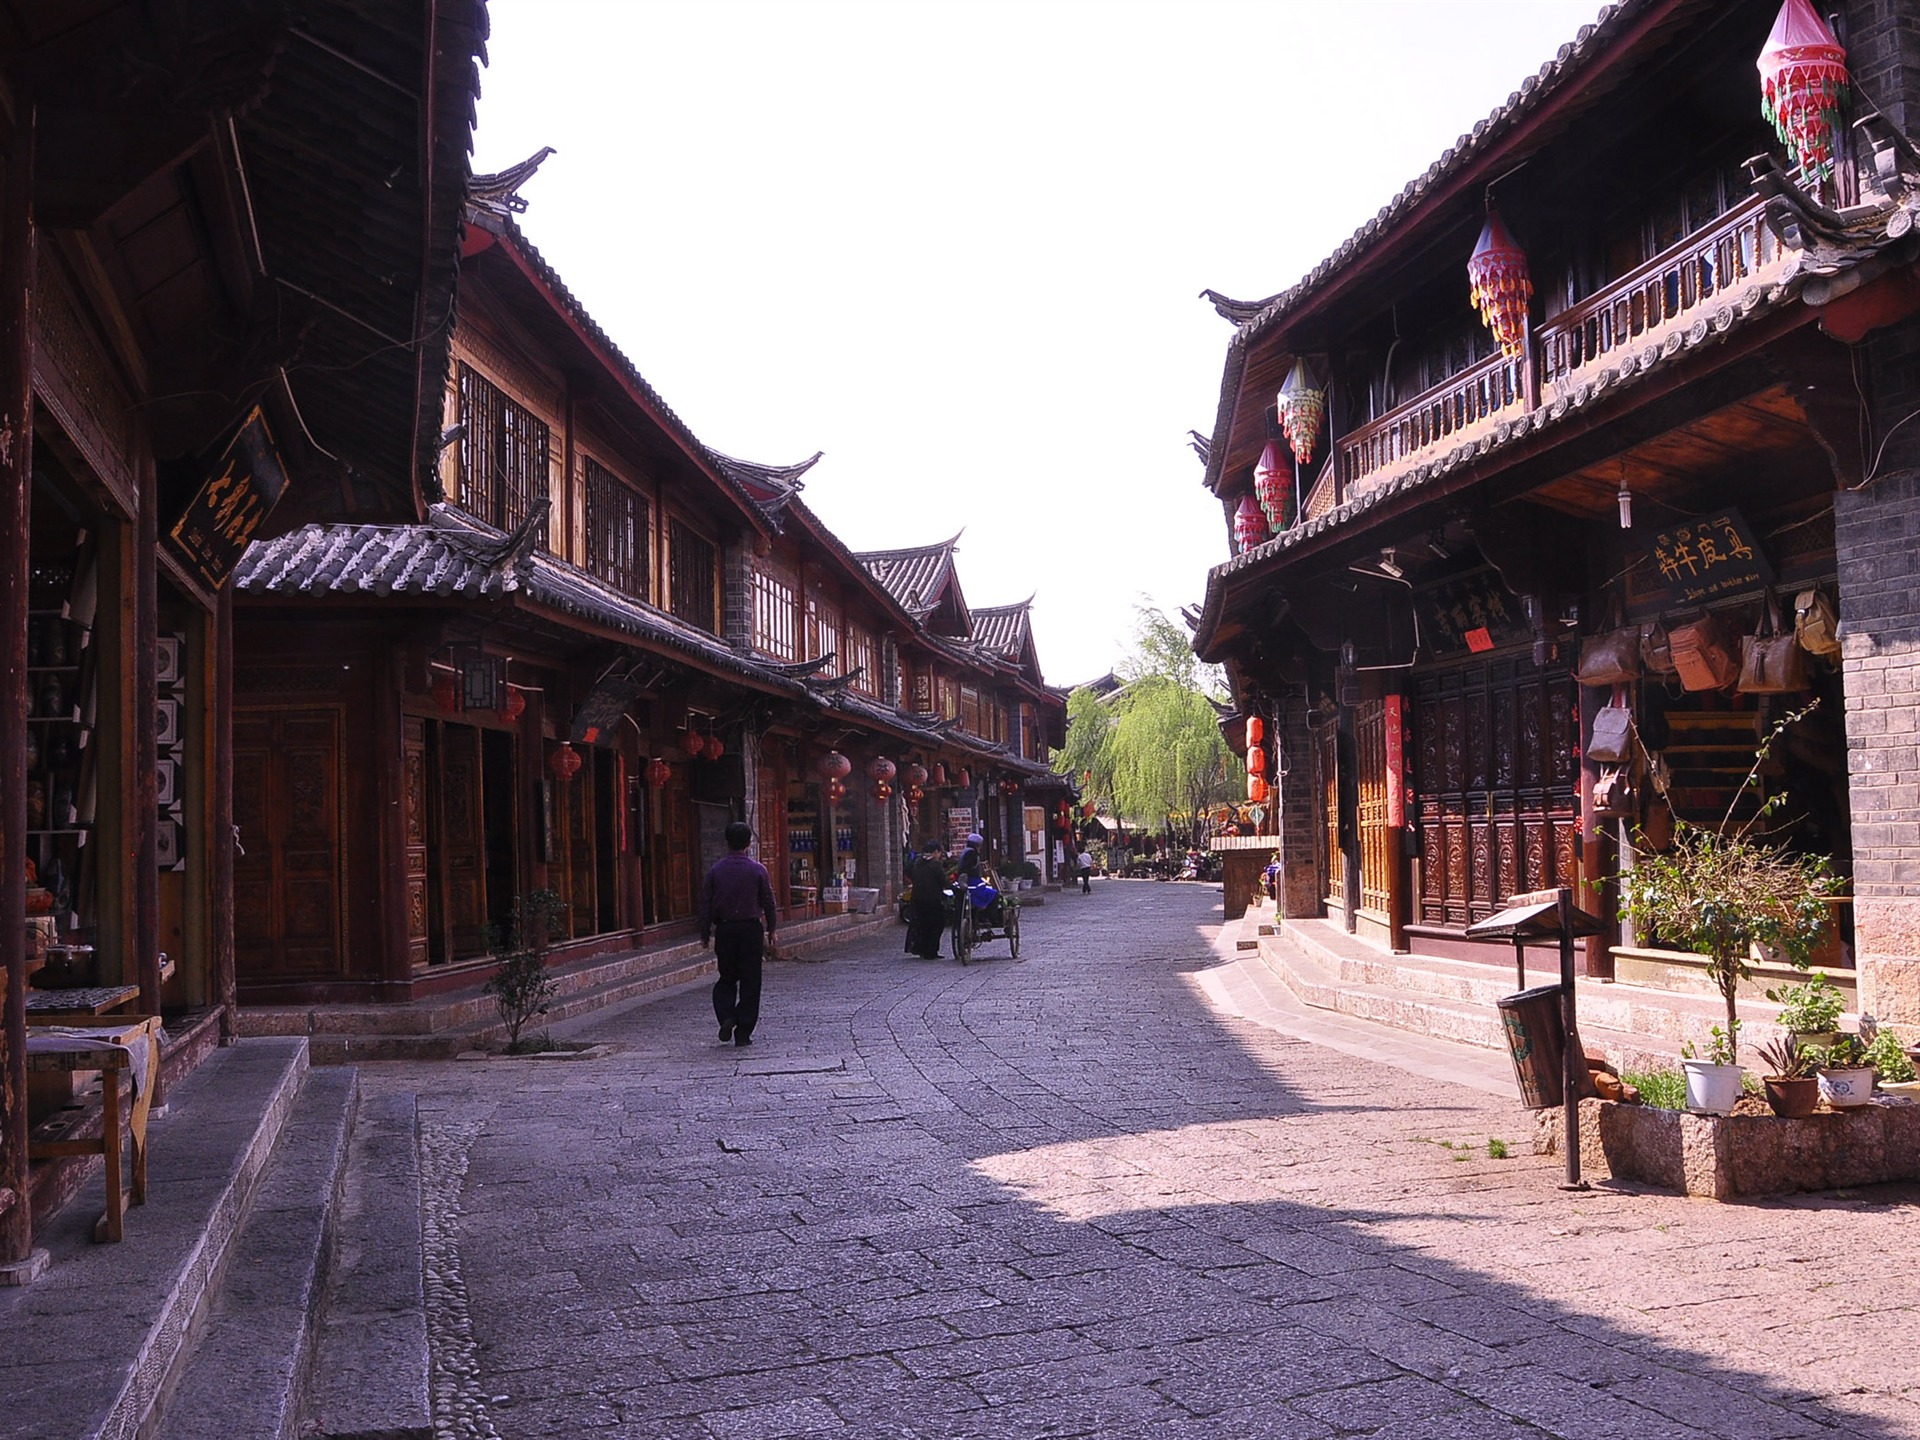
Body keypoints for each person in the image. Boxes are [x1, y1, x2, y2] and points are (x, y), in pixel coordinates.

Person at [700, 820, 778, 1047]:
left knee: (726, 978)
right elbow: (768, 902)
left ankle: (727, 1016)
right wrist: (772, 929)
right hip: (751, 929)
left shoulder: (716, 871)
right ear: (749, 843)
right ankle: (743, 1031)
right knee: (750, 981)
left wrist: (705, 933)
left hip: (726, 929)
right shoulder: (758, 870)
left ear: (727, 843)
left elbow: (706, 904)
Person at [908, 840, 949, 959]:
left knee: (923, 925)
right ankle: (931, 951)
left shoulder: (916, 862)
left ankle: (922, 949)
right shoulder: (935, 864)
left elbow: (908, 871)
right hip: (933, 899)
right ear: (936, 852)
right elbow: (943, 881)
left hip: (917, 898)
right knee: (937, 925)